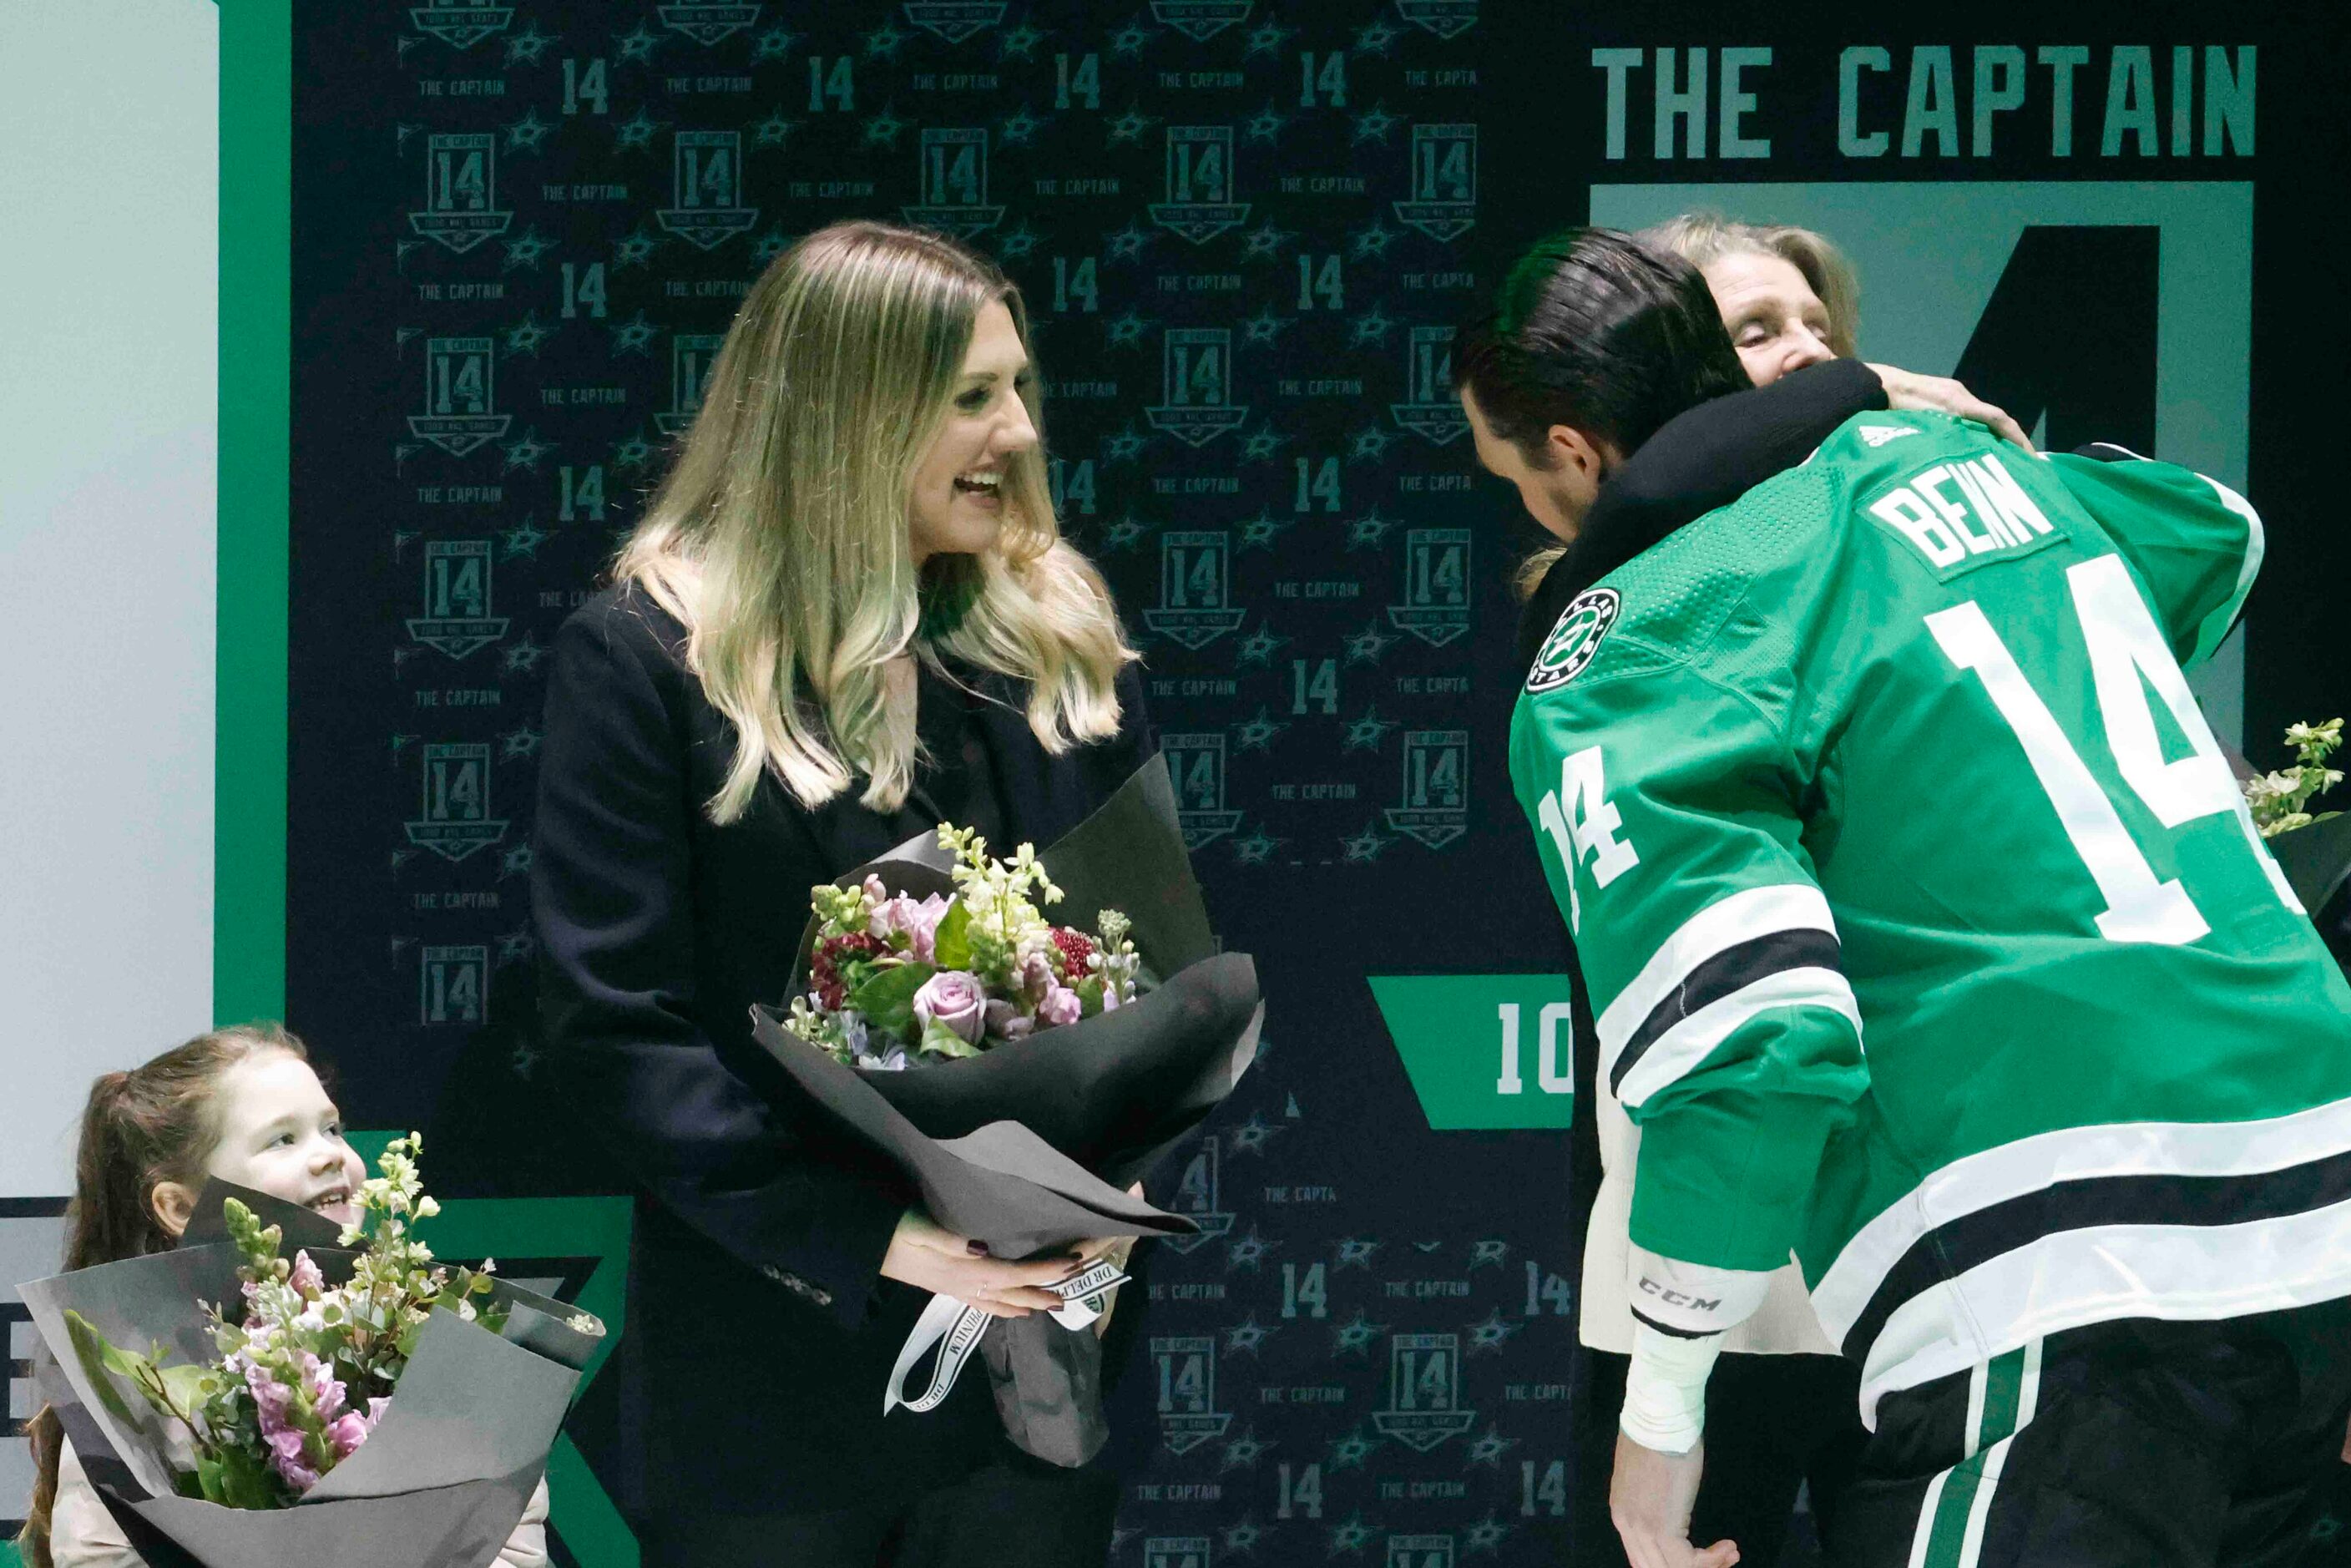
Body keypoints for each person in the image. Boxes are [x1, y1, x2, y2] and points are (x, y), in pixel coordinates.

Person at [1459, 228, 2351, 1568]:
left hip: (2055, 1248)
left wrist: (1655, 1432)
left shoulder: (1639, 630)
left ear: (1575, 454)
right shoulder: (1978, 466)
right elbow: (2216, 534)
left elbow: (1754, 1043)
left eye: (1511, 475)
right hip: (2314, 1197)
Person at [531, 219, 1155, 1567]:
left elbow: (1153, 978)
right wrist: (882, 1234)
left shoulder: (1051, 637)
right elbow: (614, 1023)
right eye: (972, 398)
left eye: (1020, 390)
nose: (1019, 433)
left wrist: (1095, 1226)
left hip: (1036, 1376)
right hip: (775, 1384)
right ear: (847, 416)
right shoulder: (646, 655)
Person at [1506, 218, 2030, 1567]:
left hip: (1919, 1238)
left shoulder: (1929, 582)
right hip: (1700, 1252)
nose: (1806, 352)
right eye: (1756, 334)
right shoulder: (1607, 615)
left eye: (1820, 329)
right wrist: (1856, 393)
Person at [13, 1024, 551, 1568]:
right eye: (283, 1140)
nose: (329, 1156)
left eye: (332, 1129)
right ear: (179, 1206)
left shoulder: (443, 1345)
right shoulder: (142, 1387)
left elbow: (513, 1548)